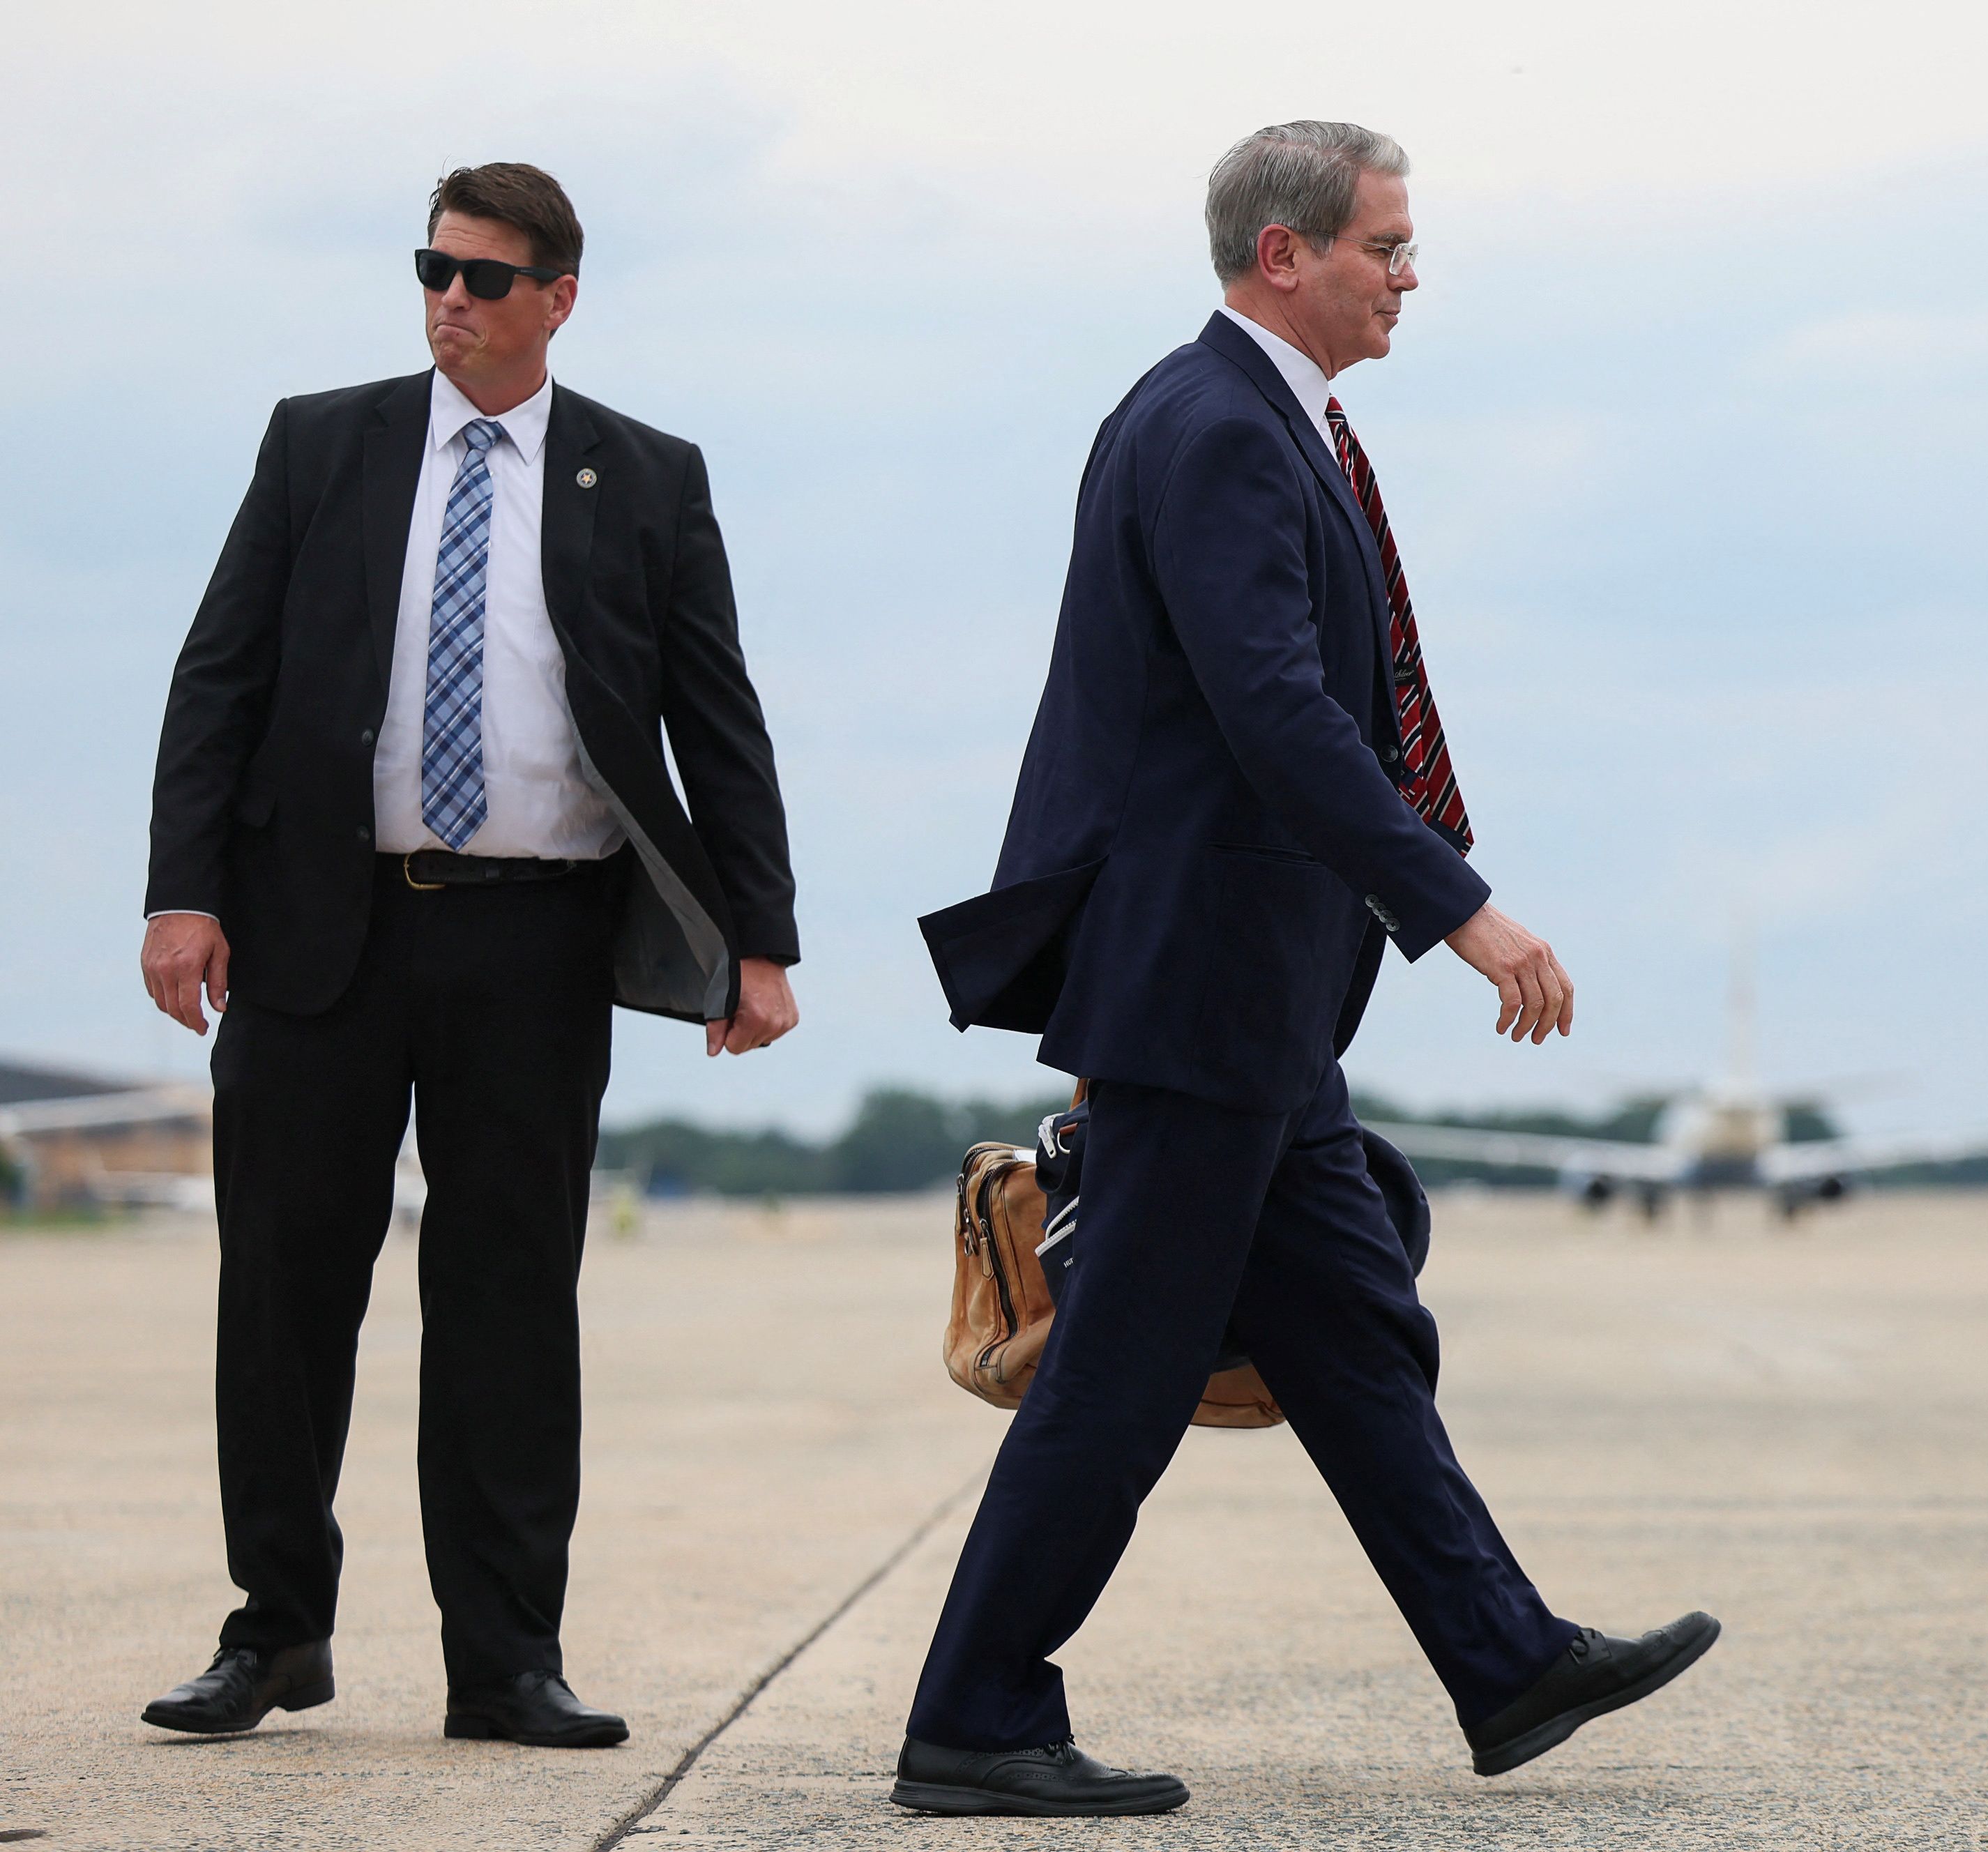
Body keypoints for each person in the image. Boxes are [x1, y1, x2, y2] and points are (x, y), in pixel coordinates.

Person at [902, 121, 1717, 1816]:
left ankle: (1506, 1654)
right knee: (1123, 1369)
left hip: (1254, 992)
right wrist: (1458, 905)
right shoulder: (1216, 426)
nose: (1410, 277)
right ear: (1285, 254)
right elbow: (1275, 709)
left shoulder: (1267, 421)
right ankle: (974, 1712)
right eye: (1384, 247)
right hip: (1204, 982)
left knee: (1355, 1333)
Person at [137, 163, 802, 1747]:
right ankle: (274, 1631)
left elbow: (716, 717)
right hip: (320, 929)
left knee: (508, 1302)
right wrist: (182, 891)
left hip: (536, 941)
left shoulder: (647, 476)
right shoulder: (320, 444)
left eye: (484, 276)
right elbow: (219, 674)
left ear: (557, 298)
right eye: (432, 268)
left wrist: (758, 943)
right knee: (283, 1291)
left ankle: (504, 1661)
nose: (450, 297)